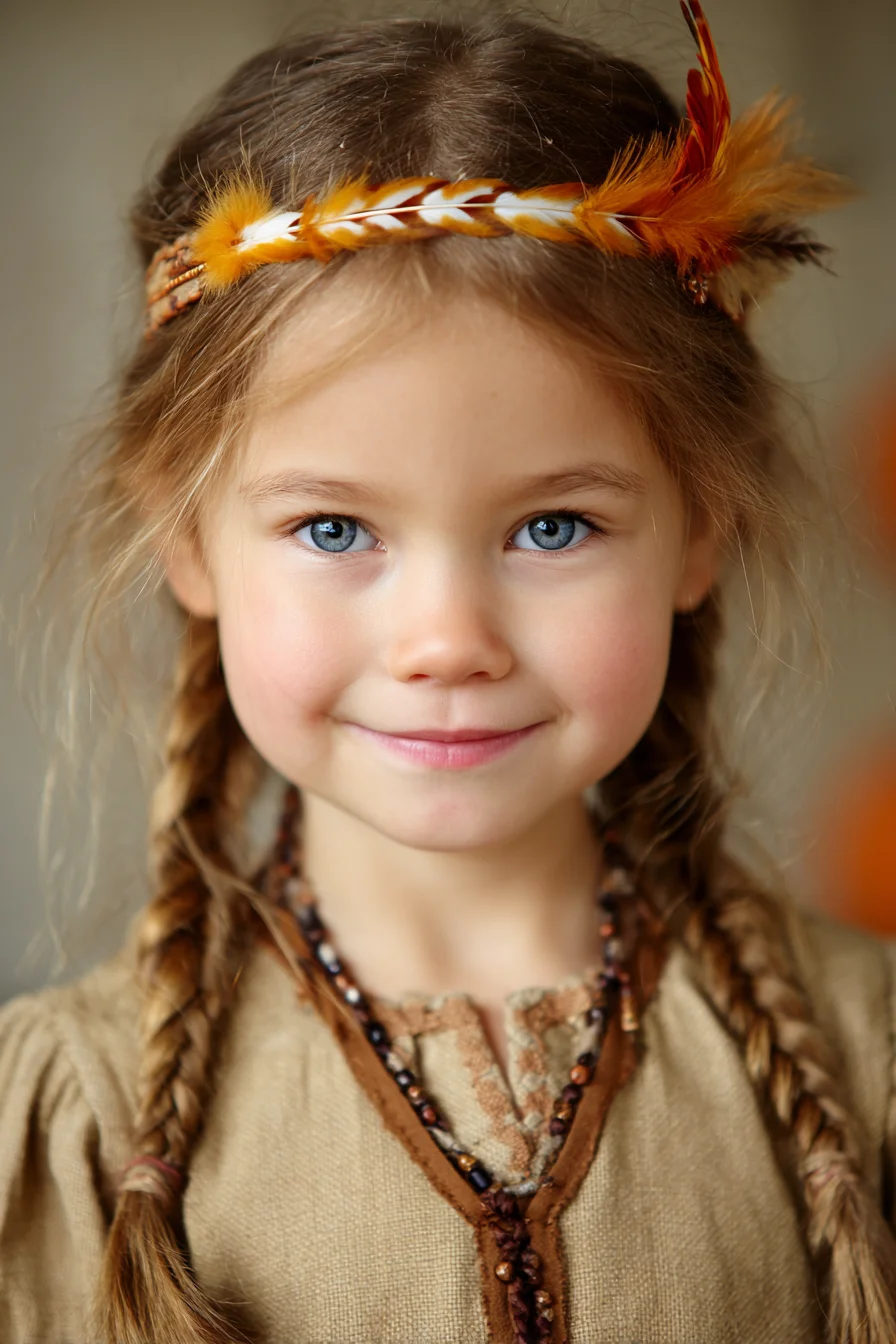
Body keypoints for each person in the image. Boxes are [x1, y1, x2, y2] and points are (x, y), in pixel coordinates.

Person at [1, 3, 894, 1342]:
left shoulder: (865, 1055)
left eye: (553, 527)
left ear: (700, 524)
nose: (447, 641)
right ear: (187, 535)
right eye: (335, 529)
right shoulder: (80, 1116)